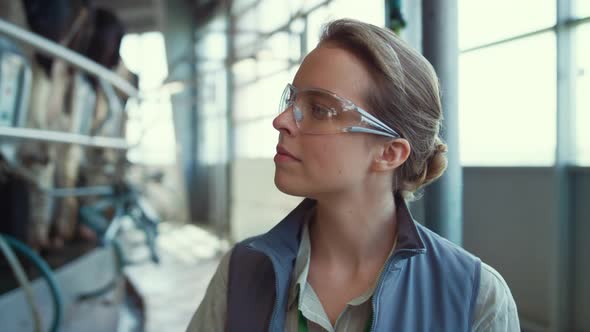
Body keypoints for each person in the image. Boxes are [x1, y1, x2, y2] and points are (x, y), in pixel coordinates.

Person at [186, 18, 519, 332]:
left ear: (390, 153)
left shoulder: (474, 297)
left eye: (319, 110)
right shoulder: (241, 273)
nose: (282, 121)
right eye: (292, 100)